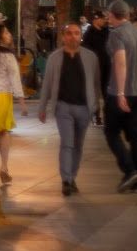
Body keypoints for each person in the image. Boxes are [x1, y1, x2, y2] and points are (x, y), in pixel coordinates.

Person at [38, 23, 101, 196]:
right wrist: (42, 107)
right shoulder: (55, 58)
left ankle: (72, 177)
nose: (73, 36)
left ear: (80, 35)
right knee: (67, 143)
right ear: (63, 36)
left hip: (84, 108)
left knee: (78, 146)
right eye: (69, 33)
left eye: (76, 33)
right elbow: (47, 84)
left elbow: (95, 83)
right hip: (63, 107)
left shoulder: (90, 57)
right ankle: (66, 180)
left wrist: (96, 106)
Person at [103, 0, 137, 194]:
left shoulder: (117, 35)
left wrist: (121, 92)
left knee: (111, 132)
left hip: (120, 92)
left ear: (113, 15)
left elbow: (120, 62)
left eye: (109, 15)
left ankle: (129, 170)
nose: (108, 19)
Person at [0, 23, 27, 186]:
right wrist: (21, 101)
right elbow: (15, 79)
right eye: (5, 32)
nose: (9, 34)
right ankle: (4, 167)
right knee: (4, 132)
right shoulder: (8, 56)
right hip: (3, 96)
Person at [81, 10, 110, 125]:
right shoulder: (89, 34)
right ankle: (96, 115)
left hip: (107, 65)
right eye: (102, 18)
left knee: (106, 91)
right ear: (96, 19)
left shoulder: (107, 31)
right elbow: (85, 50)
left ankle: (108, 115)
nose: (104, 20)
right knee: (95, 92)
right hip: (94, 67)